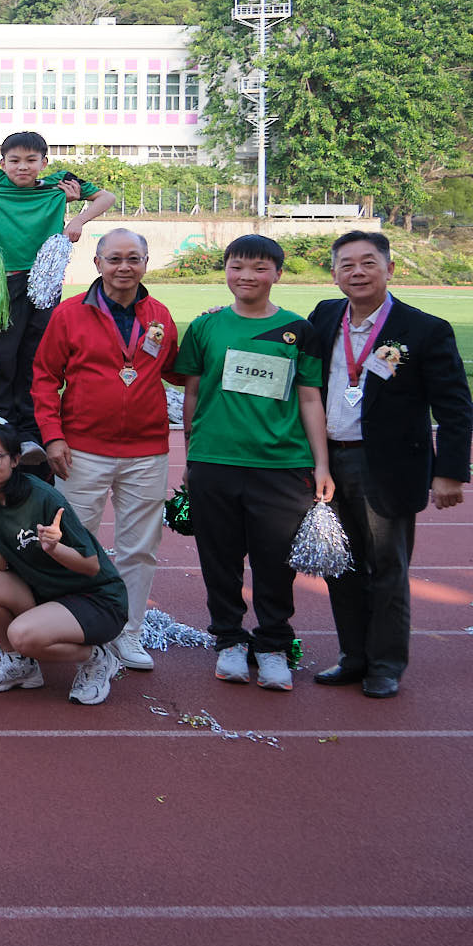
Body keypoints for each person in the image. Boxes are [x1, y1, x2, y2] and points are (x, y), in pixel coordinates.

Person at [306, 231, 471, 699]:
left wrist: (450, 472)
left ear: (389, 269)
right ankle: (353, 657)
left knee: (387, 568)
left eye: (368, 263)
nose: (357, 272)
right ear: (334, 274)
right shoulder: (324, 316)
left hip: (387, 466)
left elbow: (455, 407)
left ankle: (385, 664)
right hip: (329, 461)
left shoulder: (424, 329)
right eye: (347, 265)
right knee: (340, 564)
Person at [174, 234, 333, 692]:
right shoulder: (205, 327)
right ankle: (228, 639)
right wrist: (191, 454)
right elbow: (192, 394)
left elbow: (310, 398)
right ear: (225, 270)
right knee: (219, 559)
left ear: (278, 274)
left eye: (260, 268)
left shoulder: (298, 329)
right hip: (214, 462)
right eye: (237, 266)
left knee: (275, 562)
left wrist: (321, 464)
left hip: (282, 465)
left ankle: (273, 645)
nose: (247, 276)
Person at [30, 228, 178, 672]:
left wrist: (211, 327)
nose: (123, 267)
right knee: (72, 543)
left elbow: (178, 369)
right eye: (114, 259)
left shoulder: (160, 315)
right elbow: (44, 377)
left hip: (147, 451)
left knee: (140, 548)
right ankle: (73, 625)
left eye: (133, 258)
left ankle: (127, 633)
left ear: (146, 263)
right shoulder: (70, 314)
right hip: (82, 450)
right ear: (97, 263)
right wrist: (53, 436)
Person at [0, 132, 117, 446]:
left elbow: (107, 197)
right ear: (2, 163)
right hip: (1, 283)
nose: (22, 167)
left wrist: (79, 220)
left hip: (44, 281)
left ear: (44, 163)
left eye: (31, 160)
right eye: (14, 160)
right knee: (1, 353)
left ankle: (32, 431)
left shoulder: (58, 184)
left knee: (36, 354)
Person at [0, 417, 126, 705]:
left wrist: (54, 549)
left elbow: (91, 566)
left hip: (96, 600)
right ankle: (21, 666)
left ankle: (97, 658)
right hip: (44, 594)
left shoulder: (42, 497)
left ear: (15, 460)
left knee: (22, 635)